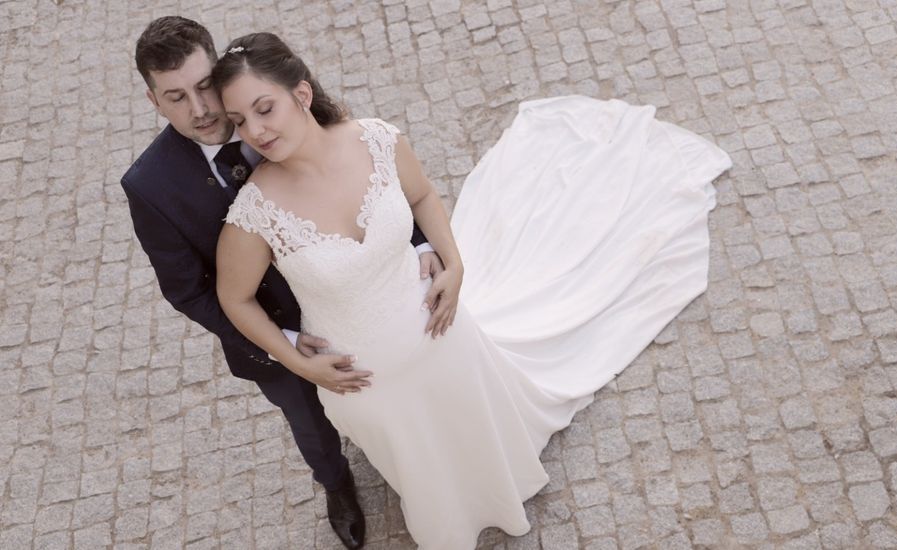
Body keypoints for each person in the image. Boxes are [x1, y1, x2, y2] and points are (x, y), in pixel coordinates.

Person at [214, 32, 732, 549]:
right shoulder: (256, 212)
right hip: (364, 382)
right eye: (239, 121)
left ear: (301, 95)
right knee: (421, 461)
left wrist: (455, 264)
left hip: (442, 328)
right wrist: (298, 362)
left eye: (265, 109)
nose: (255, 131)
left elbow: (420, 195)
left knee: (471, 421)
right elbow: (234, 299)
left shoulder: (375, 139)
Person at [120, 17, 445, 549]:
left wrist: (418, 244)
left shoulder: (273, 106)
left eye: (205, 87)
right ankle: (338, 486)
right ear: (154, 101)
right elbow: (188, 291)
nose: (199, 110)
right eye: (176, 97)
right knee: (310, 421)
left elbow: (364, 179)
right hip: (272, 330)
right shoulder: (149, 186)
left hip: (359, 291)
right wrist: (287, 345)